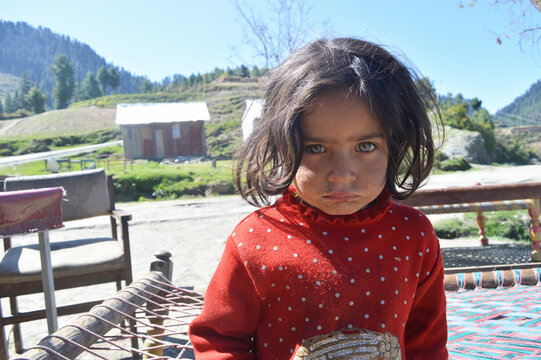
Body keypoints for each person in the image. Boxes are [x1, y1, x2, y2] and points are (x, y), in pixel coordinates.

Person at [189, 37, 448, 360]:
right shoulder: (254, 241)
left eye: (365, 147)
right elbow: (219, 340)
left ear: (393, 146)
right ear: (285, 146)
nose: (341, 173)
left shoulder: (413, 235)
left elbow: (427, 344)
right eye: (316, 148)